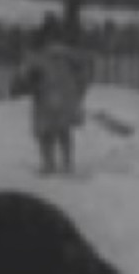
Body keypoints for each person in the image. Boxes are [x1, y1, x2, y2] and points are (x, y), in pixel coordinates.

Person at [13, 15, 91, 175]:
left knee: (47, 131)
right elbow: (84, 70)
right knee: (62, 129)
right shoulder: (69, 53)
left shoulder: (38, 55)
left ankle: (50, 164)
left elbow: (25, 74)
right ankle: (66, 163)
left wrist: (23, 83)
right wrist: (79, 90)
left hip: (47, 93)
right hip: (65, 94)